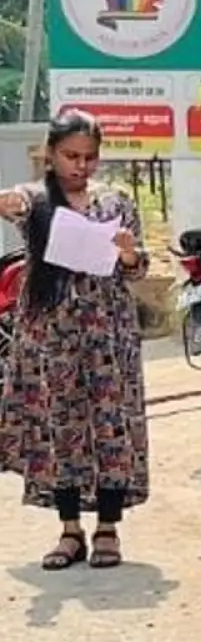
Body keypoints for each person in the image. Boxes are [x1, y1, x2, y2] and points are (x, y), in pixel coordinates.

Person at [0, 112, 149, 570]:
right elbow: (12, 203)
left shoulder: (117, 201)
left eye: (89, 157)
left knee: (110, 425)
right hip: (51, 331)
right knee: (61, 425)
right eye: (70, 156)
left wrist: (127, 253)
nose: (80, 166)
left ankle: (108, 527)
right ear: (50, 152)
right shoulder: (35, 197)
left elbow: (138, 266)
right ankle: (69, 531)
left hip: (108, 330)